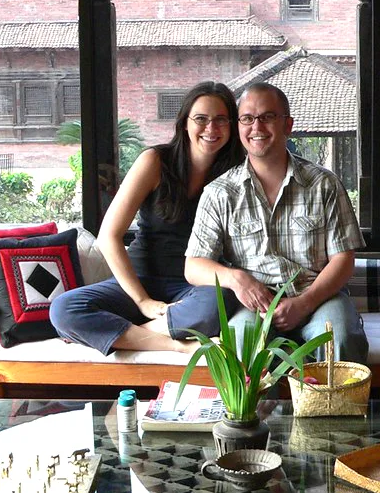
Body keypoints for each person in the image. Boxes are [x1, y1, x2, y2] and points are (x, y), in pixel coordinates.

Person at [50, 81, 244, 354]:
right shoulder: (155, 161)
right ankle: (177, 345)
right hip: (140, 279)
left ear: (232, 126)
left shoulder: (237, 173)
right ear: (184, 123)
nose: (211, 129)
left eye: (221, 120)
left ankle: (122, 333)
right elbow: (109, 236)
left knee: (219, 303)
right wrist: (142, 301)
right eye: (201, 119)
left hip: (195, 287)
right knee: (64, 309)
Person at [184, 83, 368, 364]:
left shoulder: (323, 184)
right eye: (247, 118)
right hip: (255, 305)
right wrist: (238, 280)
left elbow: (343, 259)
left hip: (318, 297)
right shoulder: (220, 192)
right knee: (240, 340)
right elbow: (194, 266)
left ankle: (335, 397)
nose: (256, 127)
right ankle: (253, 398)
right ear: (239, 127)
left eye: (267, 117)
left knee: (338, 337)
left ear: (287, 125)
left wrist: (304, 303)